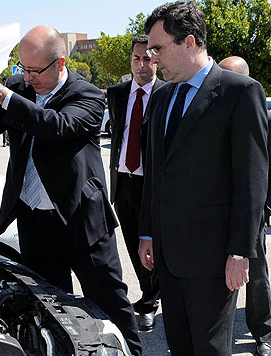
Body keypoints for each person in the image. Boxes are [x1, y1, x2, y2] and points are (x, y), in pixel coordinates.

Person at [0, 25, 163, 356]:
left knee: (111, 303)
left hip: (82, 222)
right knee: (49, 306)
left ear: (60, 63)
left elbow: (55, 127)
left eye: (35, 70)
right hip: (35, 222)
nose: (27, 78)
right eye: (22, 69)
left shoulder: (87, 95)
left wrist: (3, 95)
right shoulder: (20, 91)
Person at [140, 2, 268, 356]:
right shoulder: (162, 98)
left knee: (211, 347)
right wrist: (147, 230)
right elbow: (156, 173)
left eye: (159, 48)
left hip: (216, 253)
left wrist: (241, 250)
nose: (152, 59)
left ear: (190, 42)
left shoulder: (239, 93)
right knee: (180, 339)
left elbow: (251, 181)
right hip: (169, 248)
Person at [218, 55, 271, 356]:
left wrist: (263, 209)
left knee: (256, 276)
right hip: (217, 213)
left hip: (252, 214)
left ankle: (262, 332)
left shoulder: (267, 118)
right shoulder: (212, 114)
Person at [107, 35, 164, 332]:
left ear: (156, 59)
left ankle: (149, 302)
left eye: (147, 58)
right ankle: (149, 291)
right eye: (136, 59)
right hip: (123, 181)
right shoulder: (116, 94)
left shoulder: (167, 94)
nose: (141, 65)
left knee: (150, 243)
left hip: (151, 184)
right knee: (132, 243)